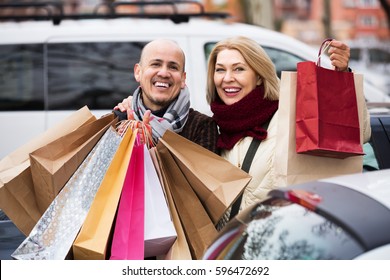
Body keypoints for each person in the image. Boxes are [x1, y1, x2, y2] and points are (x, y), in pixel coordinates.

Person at [205, 36, 371, 229]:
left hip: (282, 244)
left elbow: (358, 134)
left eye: (239, 69)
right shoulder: (213, 129)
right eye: (220, 70)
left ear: (259, 76)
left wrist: (341, 76)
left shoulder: (291, 115)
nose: (227, 78)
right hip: (233, 248)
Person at [114, 39, 219, 154]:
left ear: (183, 78)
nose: (163, 73)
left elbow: (203, 171)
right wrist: (125, 145)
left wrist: (149, 148)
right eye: (155, 64)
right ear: (138, 72)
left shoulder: (201, 126)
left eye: (173, 67)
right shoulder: (117, 121)